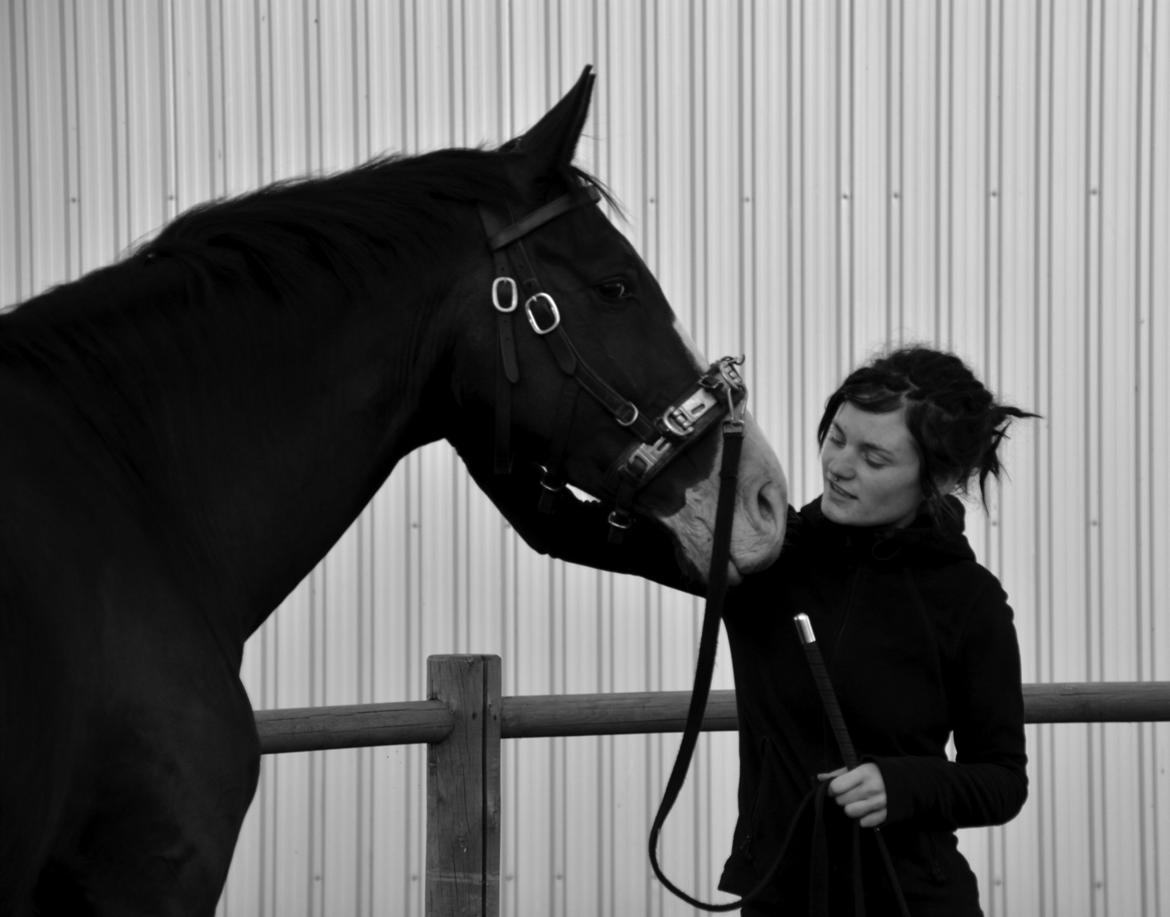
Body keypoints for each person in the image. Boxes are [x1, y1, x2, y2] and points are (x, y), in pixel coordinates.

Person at [461, 345, 1034, 916]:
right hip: (777, 898)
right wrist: (467, 415)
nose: (839, 465)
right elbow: (559, 528)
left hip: (917, 904)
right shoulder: (764, 549)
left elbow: (1002, 779)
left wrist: (904, 785)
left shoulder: (969, 600)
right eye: (835, 436)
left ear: (933, 479)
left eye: (874, 458)